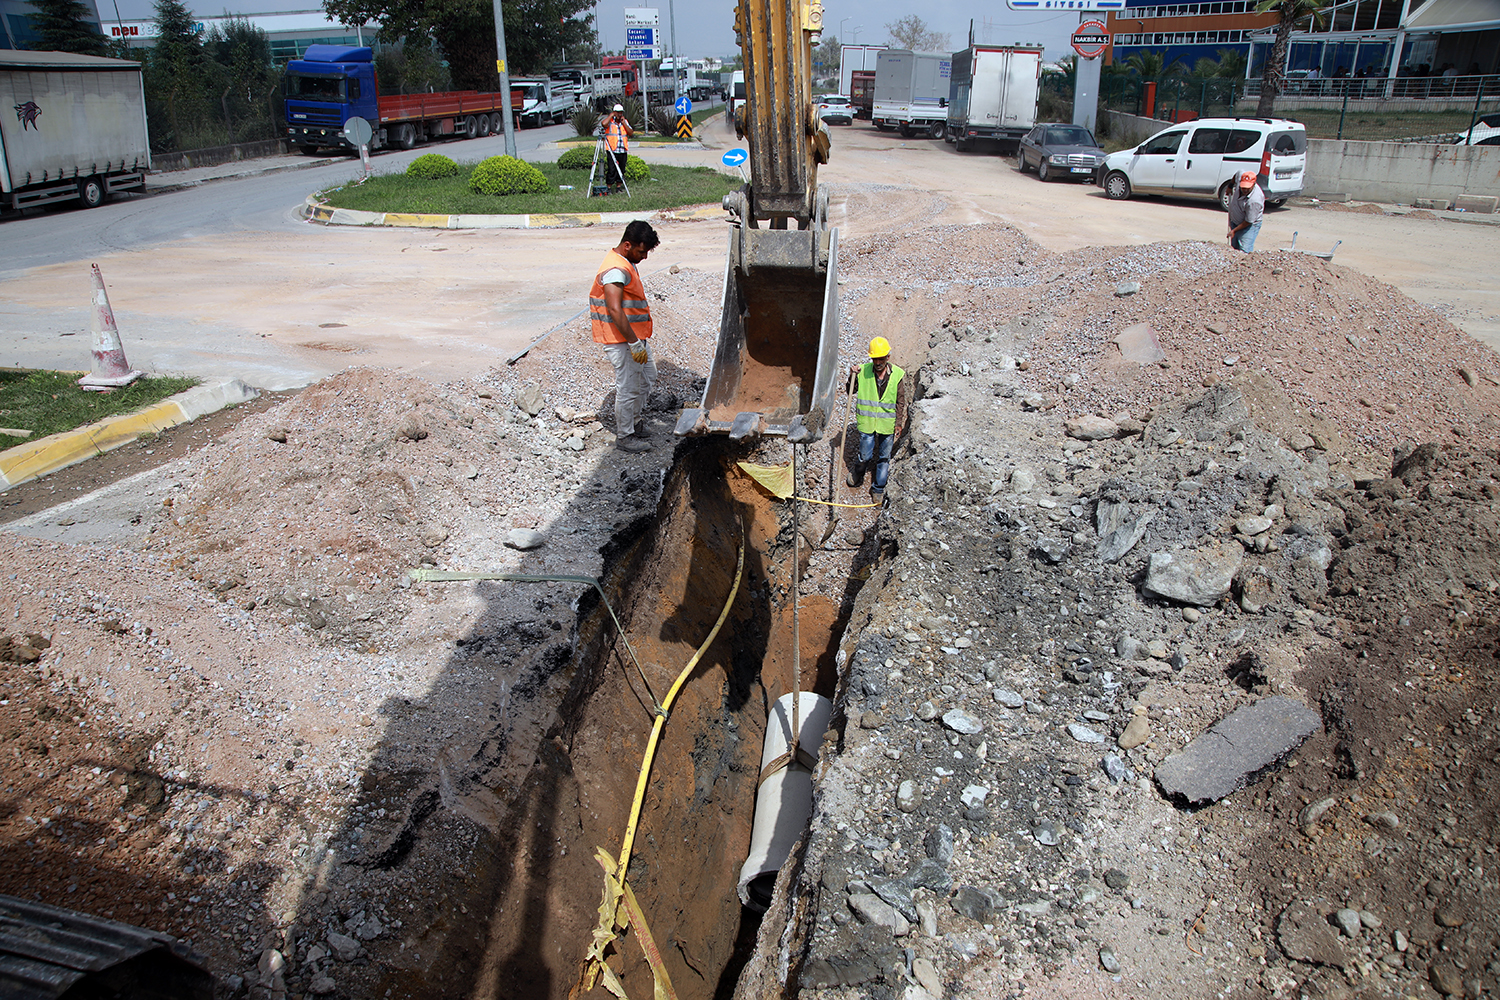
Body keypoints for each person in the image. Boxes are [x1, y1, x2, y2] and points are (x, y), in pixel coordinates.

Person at [589, 221, 660, 452]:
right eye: (642, 251)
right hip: (623, 340)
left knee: (648, 376)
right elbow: (614, 309)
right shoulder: (615, 270)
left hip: (635, 338)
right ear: (627, 245)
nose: (645, 256)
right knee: (628, 387)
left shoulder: (626, 262)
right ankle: (625, 436)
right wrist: (633, 343)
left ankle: (636, 422)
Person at [846, 337, 908, 499]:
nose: (878, 362)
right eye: (875, 358)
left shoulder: (897, 375)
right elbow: (850, 390)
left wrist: (899, 423)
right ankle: (858, 473)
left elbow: (900, 401)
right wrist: (851, 376)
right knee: (865, 455)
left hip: (887, 423)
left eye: (881, 358)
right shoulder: (862, 371)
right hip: (867, 423)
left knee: (884, 458)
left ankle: (878, 489)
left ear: (888, 357)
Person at [1227, 170, 1264, 253]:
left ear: (1254, 184)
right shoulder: (1240, 177)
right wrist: (1230, 186)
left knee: (1244, 250)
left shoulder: (1255, 200)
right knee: (1234, 248)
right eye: (1243, 187)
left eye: (1248, 188)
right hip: (1236, 222)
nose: (1245, 190)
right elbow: (1237, 173)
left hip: (1249, 226)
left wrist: (1234, 231)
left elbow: (1248, 221)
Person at [600, 103, 634, 194]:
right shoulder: (610, 122)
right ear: (614, 112)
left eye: (621, 113)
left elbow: (630, 132)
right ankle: (609, 187)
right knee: (611, 169)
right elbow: (603, 124)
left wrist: (624, 123)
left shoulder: (625, 122)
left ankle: (619, 187)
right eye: (618, 113)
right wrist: (611, 115)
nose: (620, 114)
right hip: (612, 150)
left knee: (621, 169)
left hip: (622, 149)